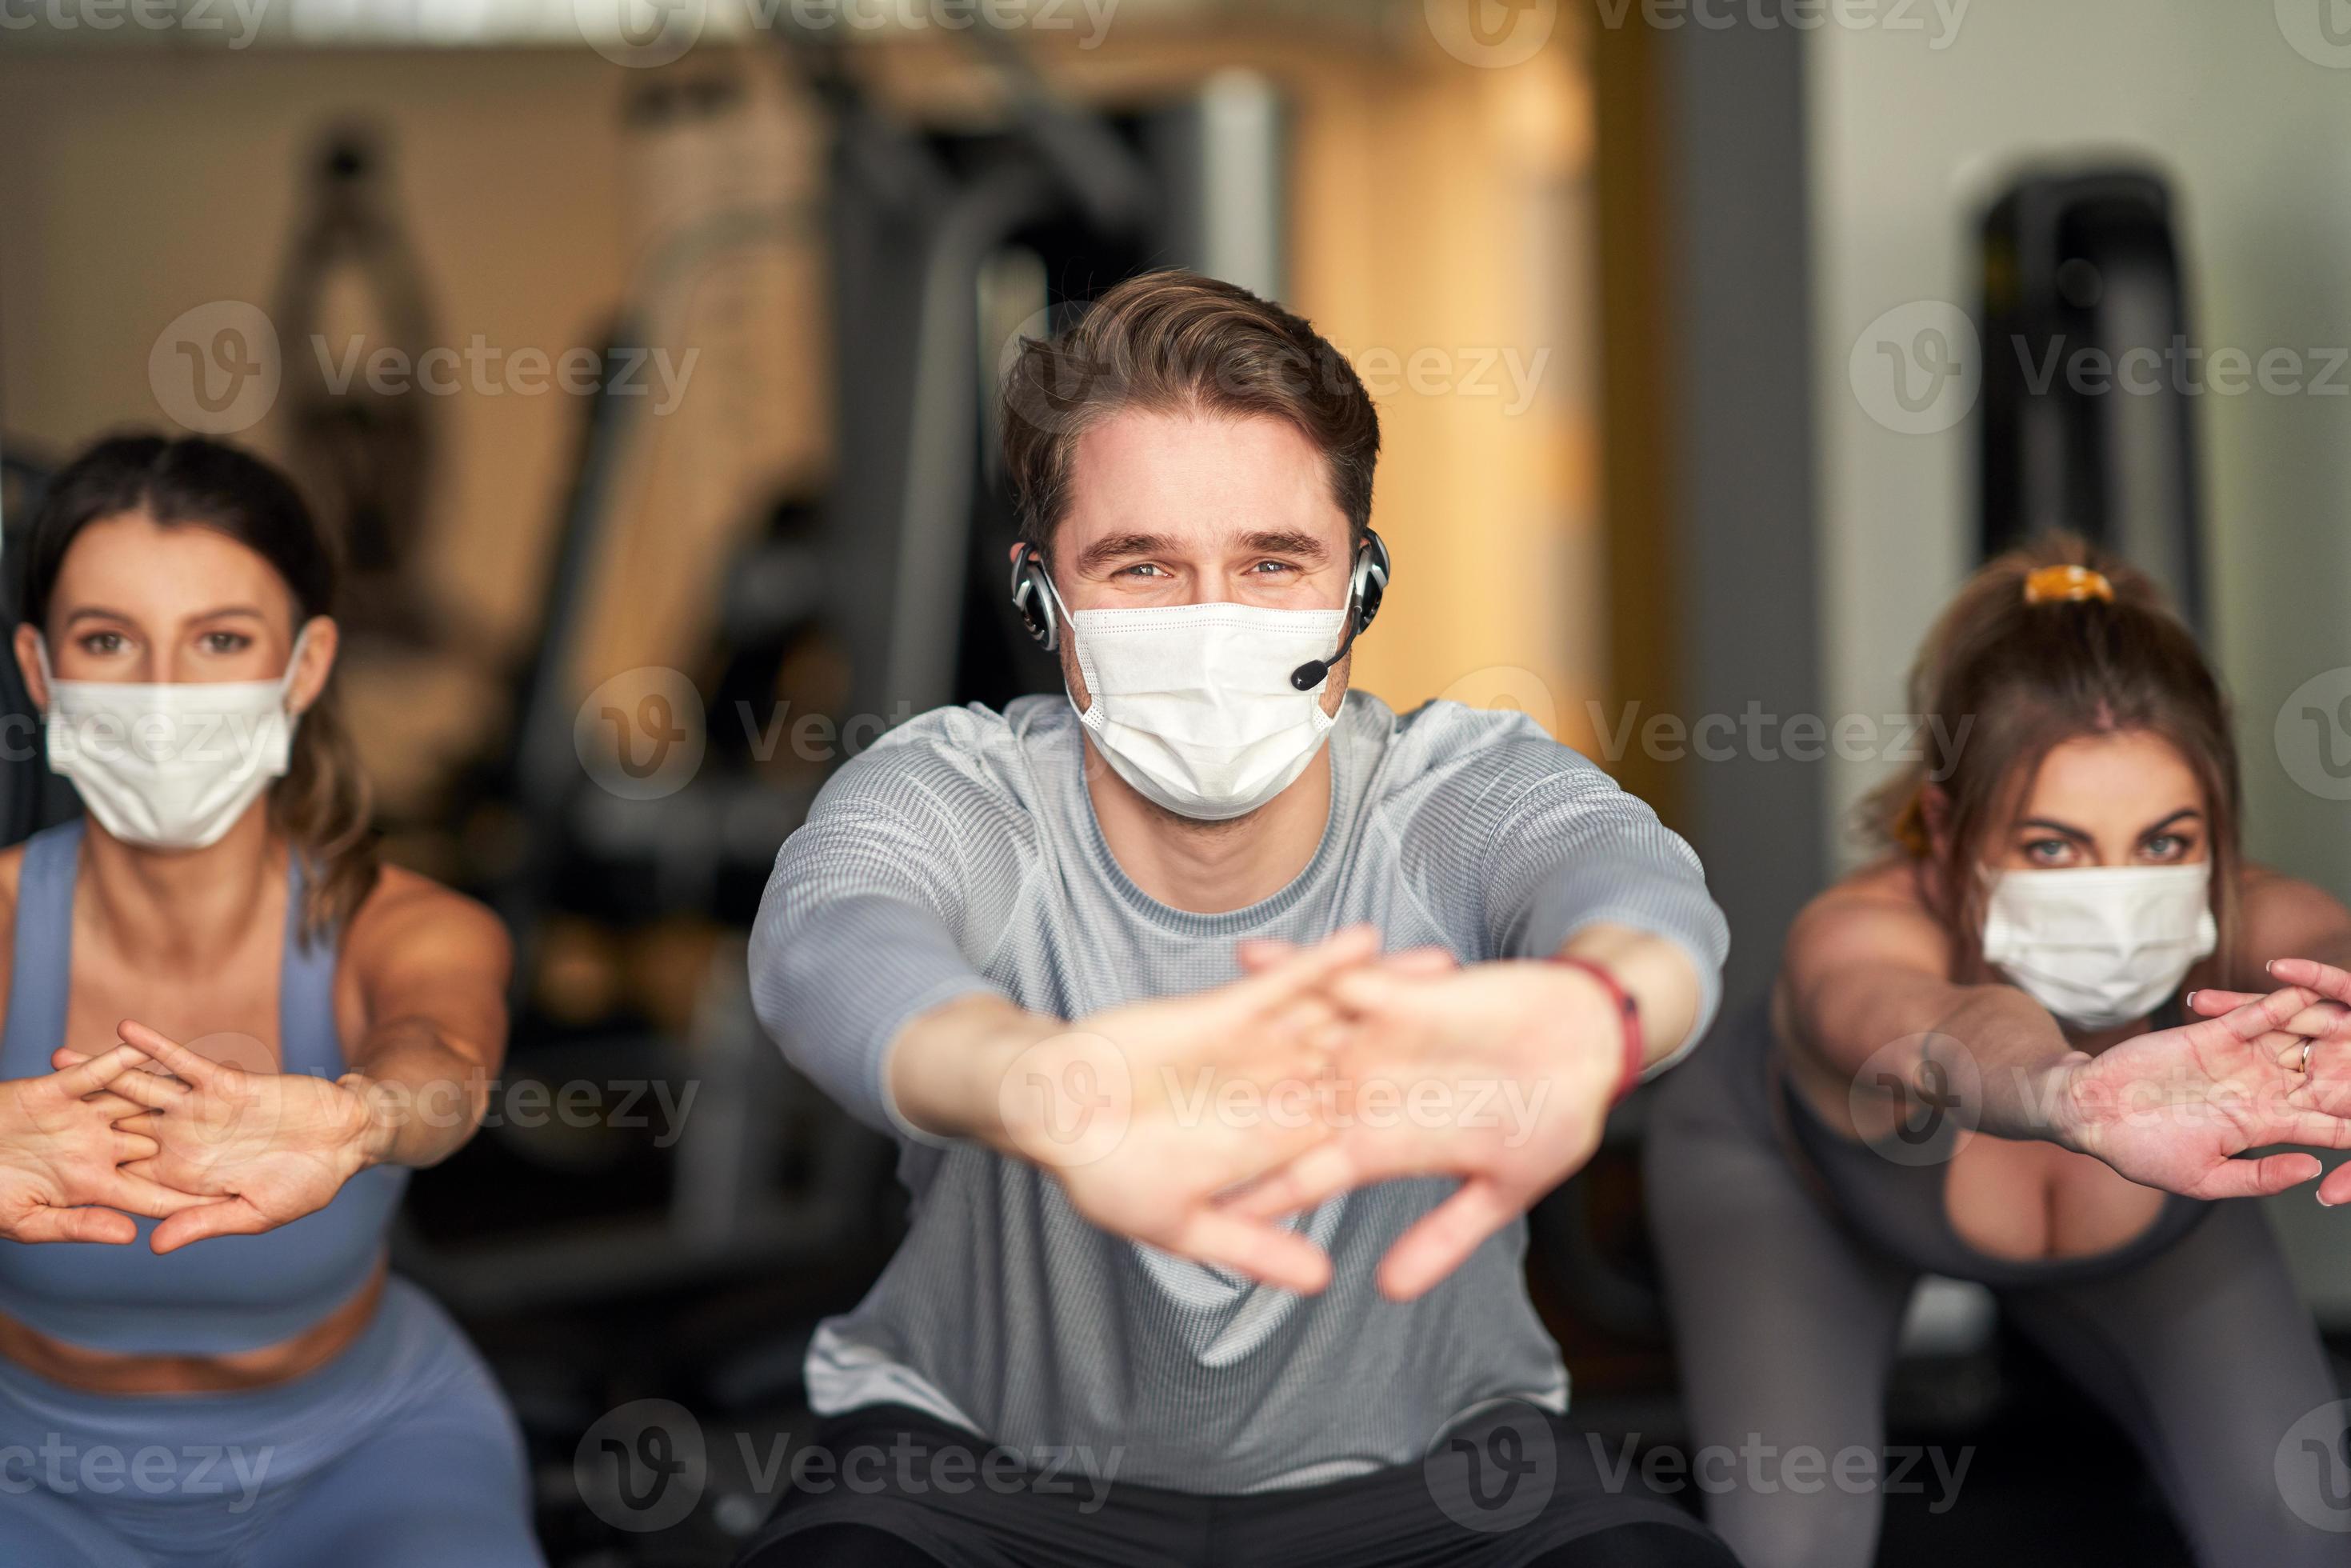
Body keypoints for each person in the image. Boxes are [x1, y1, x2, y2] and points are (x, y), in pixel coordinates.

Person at [741, 270, 1741, 1566]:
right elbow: (832, 937)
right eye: (1143, 566)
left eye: (1272, 563)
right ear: (1041, 595)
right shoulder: (963, 788)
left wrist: (1596, 1011)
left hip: (1434, 1469)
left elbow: (1632, 888)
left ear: (1361, 584)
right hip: (977, 1470)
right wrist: (1045, 1085)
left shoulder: (1454, 788)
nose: (1212, 624)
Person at [1645, 538, 2351, 1568]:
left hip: (2149, 1234)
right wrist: (2073, 1096)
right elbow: (1948, 1035)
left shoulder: (2242, 915)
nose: (2118, 896)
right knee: (1788, 1545)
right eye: (2052, 845)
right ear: (1947, 830)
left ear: (2218, 837)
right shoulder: (1854, 938)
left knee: (2303, 1524)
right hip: (1790, 1187)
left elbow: (2329, 949)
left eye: (2164, 841)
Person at [0, 434, 544, 1566]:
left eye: (220, 640)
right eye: (108, 640)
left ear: (303, 667)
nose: (162, 694)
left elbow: (443, 1057)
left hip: (369, 1454)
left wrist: (364, 1116)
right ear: (40, 672)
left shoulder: (412, 924)